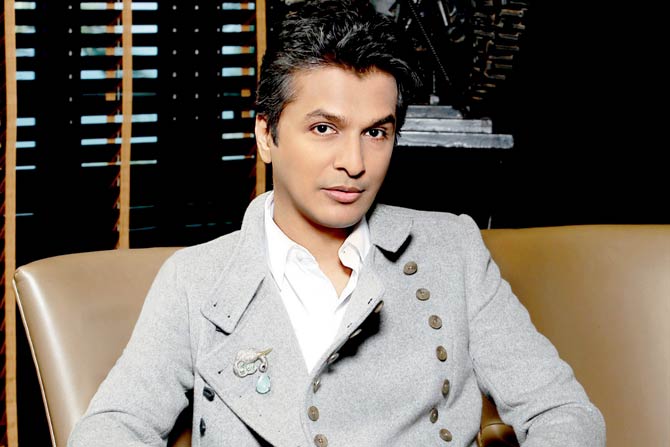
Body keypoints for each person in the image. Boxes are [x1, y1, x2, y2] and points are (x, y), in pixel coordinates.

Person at [68, 1, 605, 445]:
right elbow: (114, 427)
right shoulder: (196, 279)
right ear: (266, 135)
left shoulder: (453, 250)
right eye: (324, 128)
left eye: (376, 132)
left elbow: (564, 412)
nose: (355, 162)